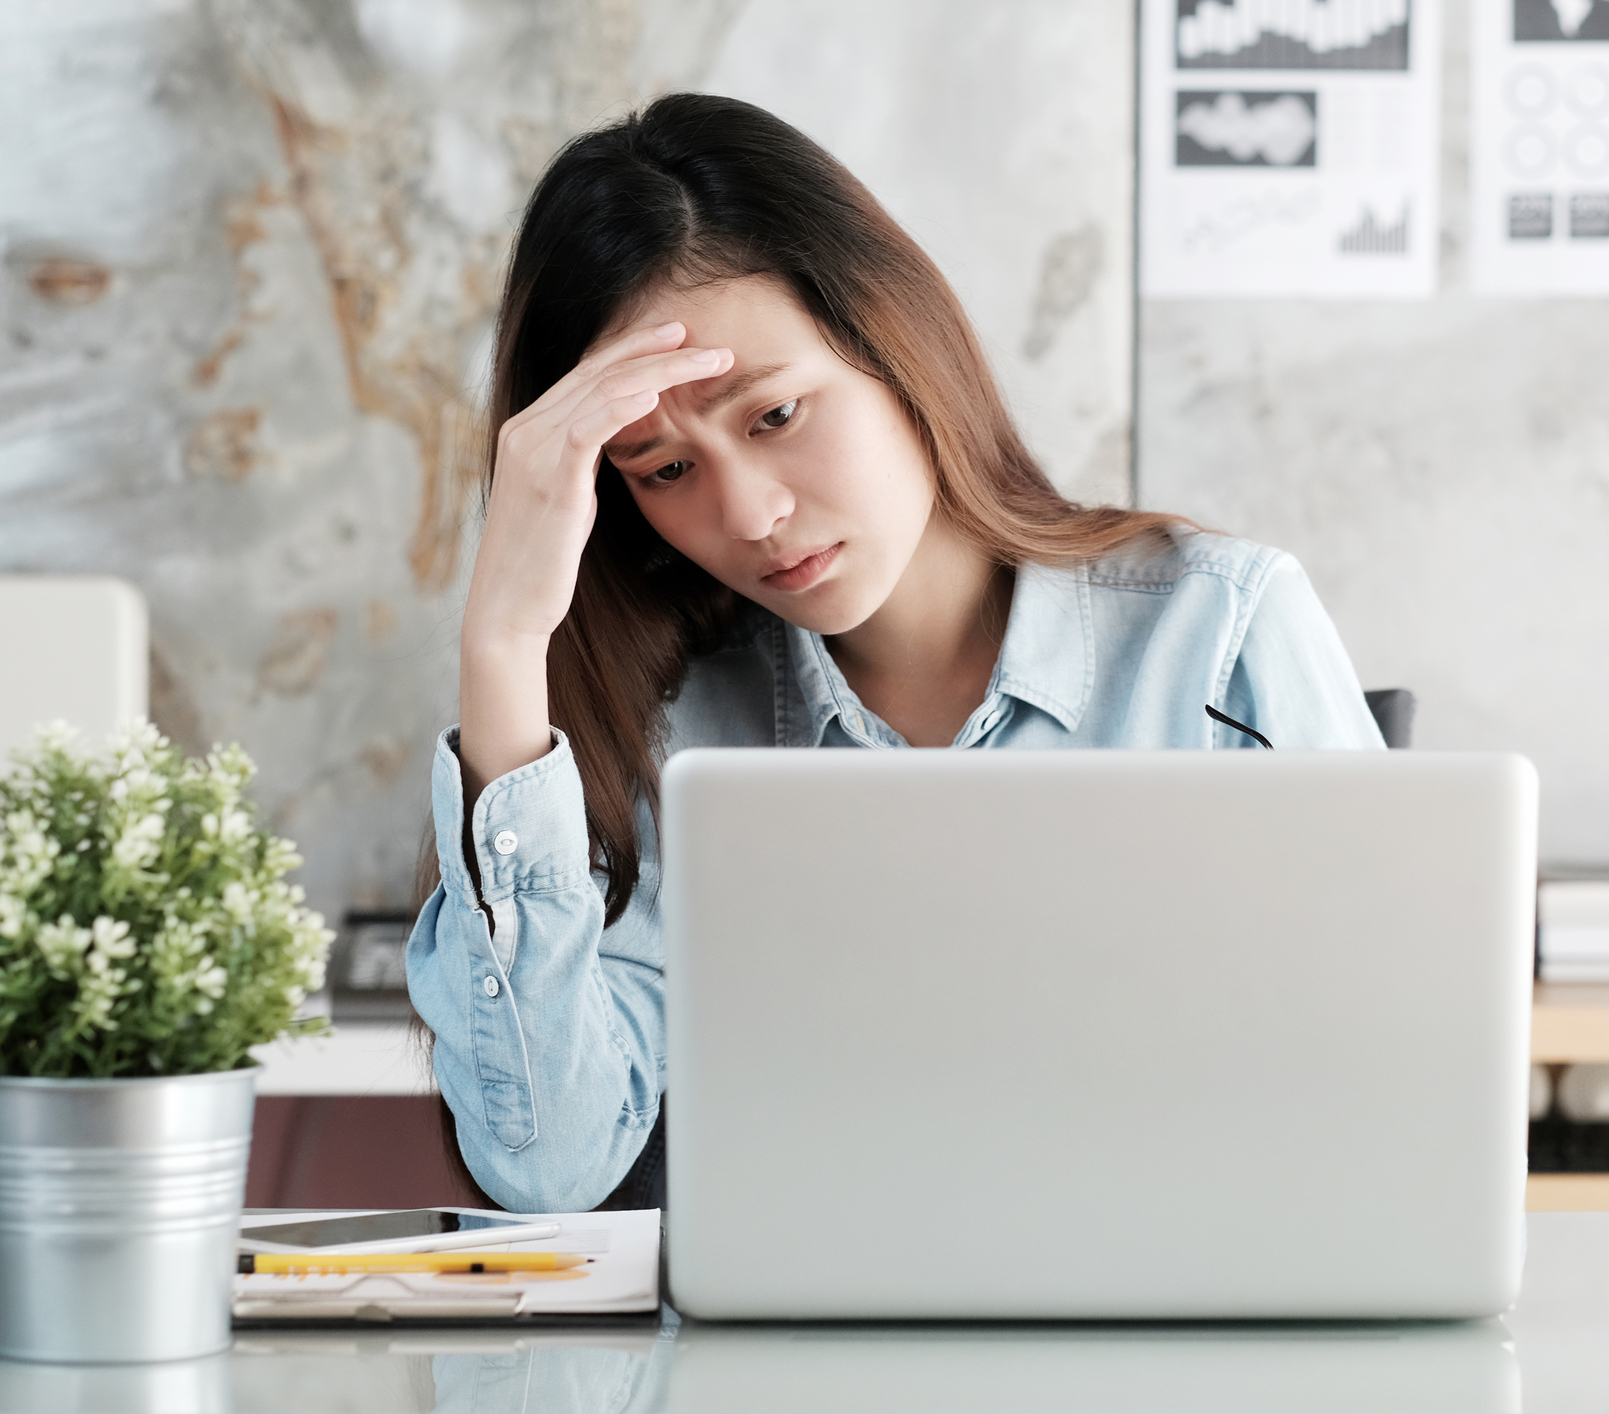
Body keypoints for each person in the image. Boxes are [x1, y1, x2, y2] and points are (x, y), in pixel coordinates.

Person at [405, 94, 1383, 1214]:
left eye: (773, 415)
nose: (755, 512)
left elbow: (1388, 1087)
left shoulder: (1220, 636)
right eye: (663, 468)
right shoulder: (673, 737)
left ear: (895, 343)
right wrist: (504, 643)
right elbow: (548, 1169)